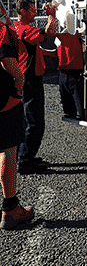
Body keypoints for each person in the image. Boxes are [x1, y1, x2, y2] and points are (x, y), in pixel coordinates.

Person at [15, 0, 56, 174]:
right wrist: (52, 16)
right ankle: (24, 162)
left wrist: (54, 55)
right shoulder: (25, 29)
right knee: (35, 123)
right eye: (32, 10)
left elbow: (35, 48)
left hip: (24, 77)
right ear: (22, 11)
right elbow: (49, 33)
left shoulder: (16, 28)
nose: (35, 12)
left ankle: (23, 155)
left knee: (25, 120)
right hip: (30, 78)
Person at [0, 19, 34, 229]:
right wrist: (19, 79)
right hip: (4, 100)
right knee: (8, 151)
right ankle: (11, 208)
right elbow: (6, 57)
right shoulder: (1, 30)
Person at [55, 31, 84, 120]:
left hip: (74, 70)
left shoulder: (76, 34)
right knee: (66, 93)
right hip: (64, 70)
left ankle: (82, 114)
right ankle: (71, 112)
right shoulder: (59, 35)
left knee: (77, 94)